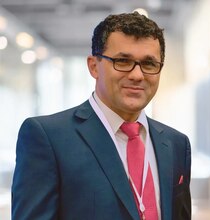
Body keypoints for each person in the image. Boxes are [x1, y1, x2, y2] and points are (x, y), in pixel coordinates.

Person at [11, 10, 191, 220]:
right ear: (93, 66)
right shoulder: (48, 138)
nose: (137, 75)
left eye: (149, 64)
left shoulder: (176, 144)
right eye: (123, 61)